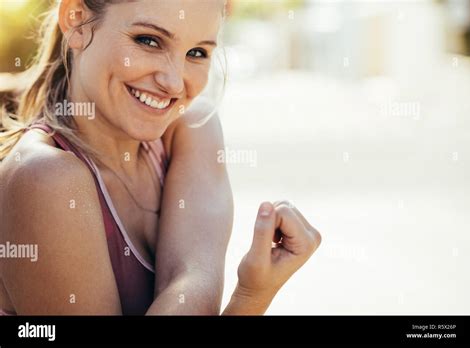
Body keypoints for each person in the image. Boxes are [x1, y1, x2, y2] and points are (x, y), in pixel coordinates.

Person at [0, 0, 321, 315]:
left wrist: (249, 293)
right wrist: (250, 298)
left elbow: (191, 282)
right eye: (149, 40)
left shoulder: (192, 128)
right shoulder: (43, 177)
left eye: (197, 53)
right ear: (77, 20)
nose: (173, 82)